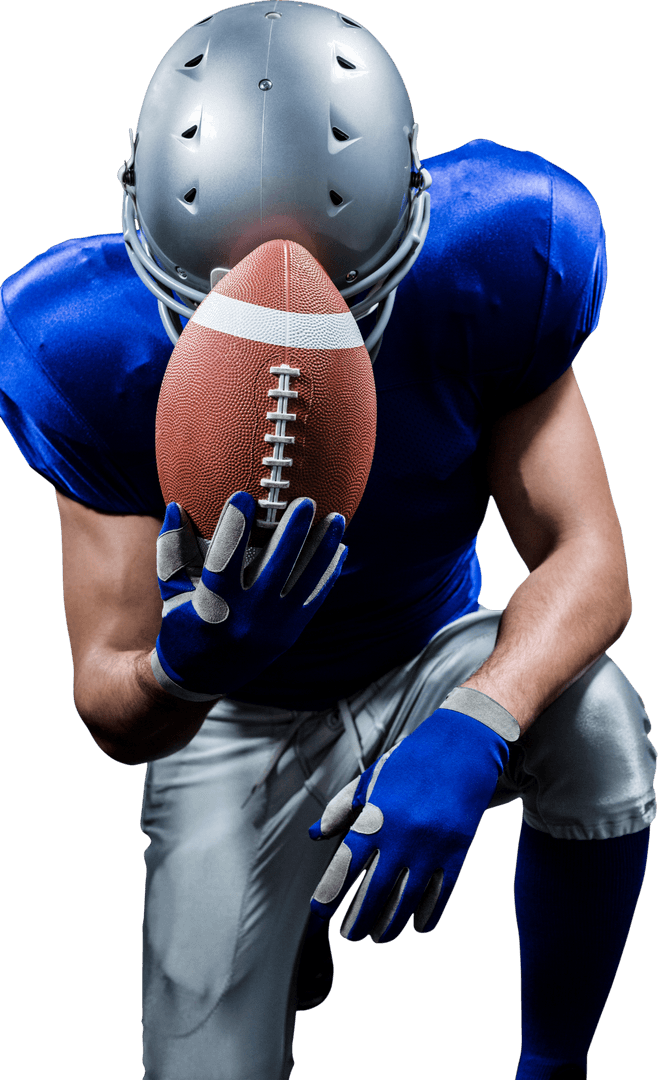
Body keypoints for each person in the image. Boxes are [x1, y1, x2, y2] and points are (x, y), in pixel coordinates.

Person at [0, 4, 654, 1080]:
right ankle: (290, 902)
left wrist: (478, 721)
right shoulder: (79, 347)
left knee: (601, 723)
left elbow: (591, 559)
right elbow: (108, 702)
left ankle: (556, 1067)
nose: (287, 363)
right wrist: (182, 667)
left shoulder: (494, 257)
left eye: (335, 307)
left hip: (430, 659)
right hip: (230, 720)